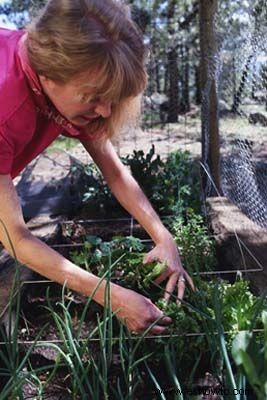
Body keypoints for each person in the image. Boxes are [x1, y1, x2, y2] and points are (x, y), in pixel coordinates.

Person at [0, 0, 193, 335]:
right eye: (93, 97)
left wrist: (163, 236)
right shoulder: (5, 108)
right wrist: (112, 295)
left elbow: (116, 172)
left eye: (110, 97)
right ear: (48, 75)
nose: (105, 111)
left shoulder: (66, 71)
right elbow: (15, 237)